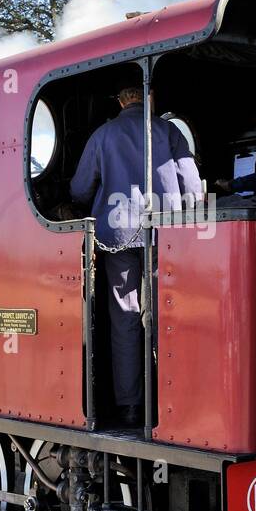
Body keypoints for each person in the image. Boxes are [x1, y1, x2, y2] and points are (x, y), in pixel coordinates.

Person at [70, 82, 202, 425]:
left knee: (125, 316)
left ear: (120, 100)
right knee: (166, 313)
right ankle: (173, 400)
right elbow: (191, 186)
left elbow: (80, 189)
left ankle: (130, 406)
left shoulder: (103, 134)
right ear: (150, 98)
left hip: (118, 235)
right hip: (165, 234)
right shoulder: (170, 131)